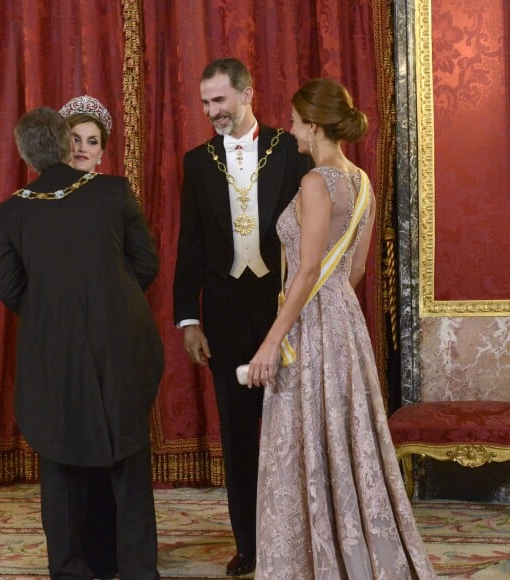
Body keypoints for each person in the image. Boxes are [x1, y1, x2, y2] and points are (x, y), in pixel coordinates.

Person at [245, 78, 436, 578]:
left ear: (313, 125)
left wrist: (271, 341)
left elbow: (307, 270)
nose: (288, 129)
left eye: (292, 120)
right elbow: (352, 273)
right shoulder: (363, 182)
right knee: (343, 434)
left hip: (309, 322)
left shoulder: (316, 181)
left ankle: (314, 560)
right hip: (345, 323)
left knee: (309, 435)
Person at [0, 106, 163, 580]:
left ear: (26, 153)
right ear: (67, 144)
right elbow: (145, 263)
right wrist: (108, 300)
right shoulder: (112, 191)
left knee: (60, 459)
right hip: (123, 340)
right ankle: (138, 570)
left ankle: (69, 569)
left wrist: (56, 313)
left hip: (52, 349)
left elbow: (9, 290)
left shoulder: (10, 212)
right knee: (127, 455)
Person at [173, 58, 307, 577]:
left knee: (291, 427)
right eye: (206, 103)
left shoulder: (291, 150)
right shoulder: (197, 161)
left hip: (283, 309)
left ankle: (295, 533)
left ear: (247, 92)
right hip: (225, 315)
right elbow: (190, 245)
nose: (212, 112)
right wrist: (188, 318)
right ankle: (248, 544)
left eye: (220, 100)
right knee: (237, 431)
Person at [58, 94, 118, 579]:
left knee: (107, 446)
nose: (82, 149)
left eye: (91, 142)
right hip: (59, 342)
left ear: (103, 153)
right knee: (67, 450)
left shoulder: (114, 198)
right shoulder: (38, 200)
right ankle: (74, 552)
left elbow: (138, 265)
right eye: (74, 140)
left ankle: (106, 551)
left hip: (108, 339)